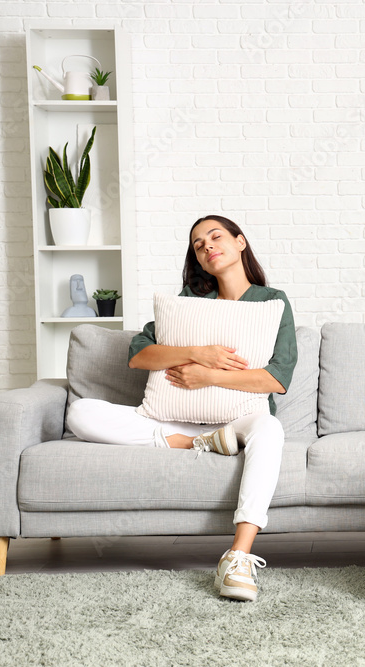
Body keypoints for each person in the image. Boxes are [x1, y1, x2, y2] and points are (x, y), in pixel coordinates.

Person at [65, 214, 297, 603]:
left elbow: (277, 379)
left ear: (240, 242)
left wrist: (209, 375)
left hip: (239, 420)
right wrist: (196, 353)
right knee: (79, 413)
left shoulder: (272, 302)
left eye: (215, 236)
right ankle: (189, 443)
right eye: (198, 244)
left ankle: (238, 555)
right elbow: (139, 356)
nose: (207, 246)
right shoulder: (189, 302)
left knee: (270, 431)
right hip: (182, 423)